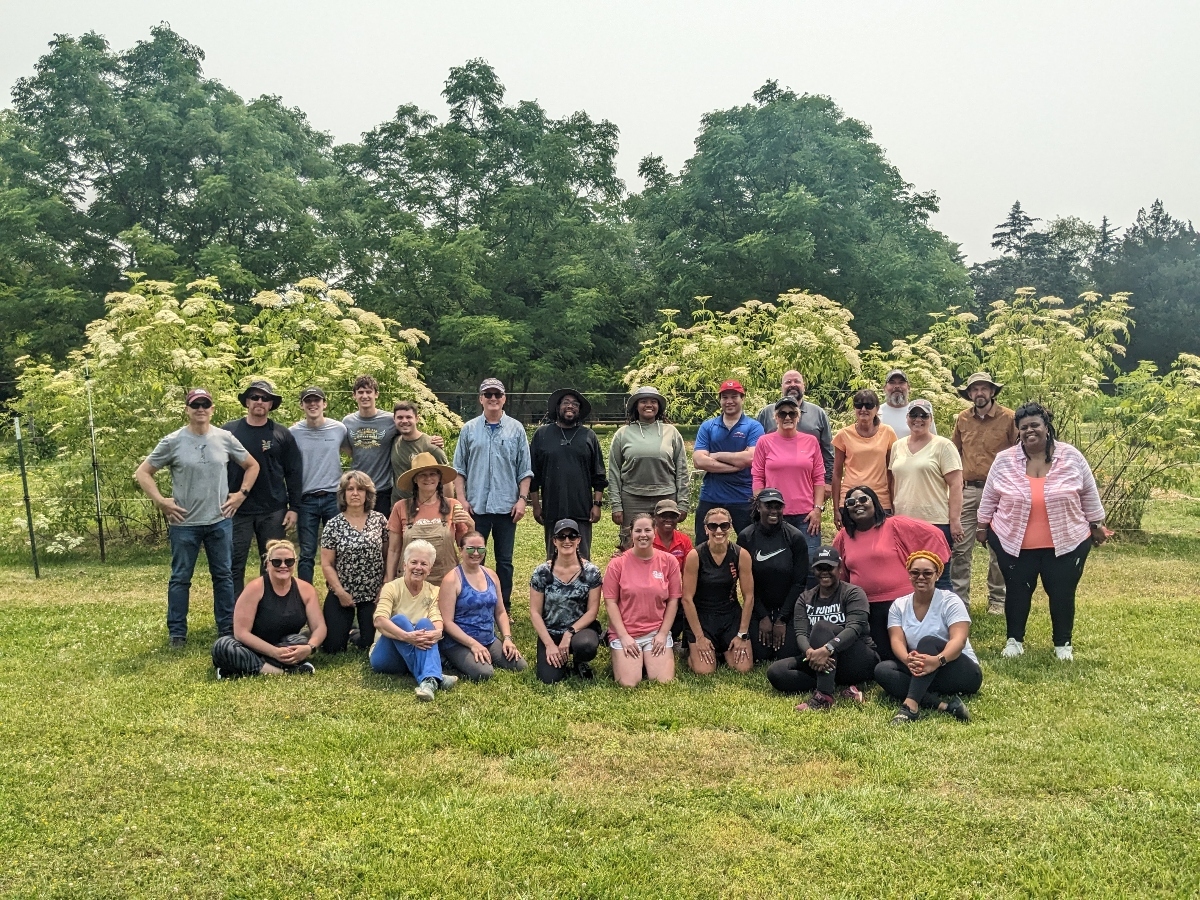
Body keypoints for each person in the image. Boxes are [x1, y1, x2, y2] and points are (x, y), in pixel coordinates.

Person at [978, 401, 1109, 661]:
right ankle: (1014, 641)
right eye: (1023, 427)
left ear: (1046, 427)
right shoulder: (1004, 460)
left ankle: (1063, 644)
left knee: (1062, 592)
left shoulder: (1071, 456)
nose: (1029, 431)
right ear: (1018, 431)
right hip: (1012, 542)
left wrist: (1097, 524)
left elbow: (1089, 494)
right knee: (1016, 592)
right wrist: (982, 526)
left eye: (1035, 425)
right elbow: (990, 496)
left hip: (1067, 541)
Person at [135, 388, 260, 646]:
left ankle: (226, 630)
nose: (200, 409)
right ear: (187, 409)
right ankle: (177, 633)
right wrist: (161, 501)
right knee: (180, 578)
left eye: (205, 404)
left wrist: (241, 495)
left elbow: (252, 465)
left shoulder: (225, 438)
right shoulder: (173, 441)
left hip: (219, 521)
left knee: (223, 576)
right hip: (184, 524)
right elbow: (143, 472)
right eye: (195, 405)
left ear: (213, 409)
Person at [832, 485, 951, 662]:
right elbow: (839, 572)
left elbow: (934, 534)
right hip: (867, 607)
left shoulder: (895, 525)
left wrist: (932, 565)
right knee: (884, 657)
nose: (858, 504)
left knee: (913, 650)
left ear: (875, 503)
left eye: (863, 499)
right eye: (851, 502)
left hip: (900, 604)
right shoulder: (843, 536)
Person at [452, 378, 533, 611]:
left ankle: (503, 605)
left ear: (504, 398)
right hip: (476, 507)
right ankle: (476, 603)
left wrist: (522, 500)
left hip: (506, 507)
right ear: (481, 399)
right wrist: (462, 499)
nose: (493, 399)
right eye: (488, 394)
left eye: (497, 394)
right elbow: (459, 469)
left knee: (505, 561)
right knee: (475, 557)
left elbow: (524, 470)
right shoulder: (468, 429)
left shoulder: (516, 429)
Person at [874, 552, 982, 724]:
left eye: (927, 573)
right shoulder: (899, 605)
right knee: (883, 670)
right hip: (924, 671)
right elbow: (897, 640)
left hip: (959, 670)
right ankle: (945, 706)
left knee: (928, 641)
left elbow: (959, 640)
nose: (921, 577)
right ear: (909, 574)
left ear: (938, 574)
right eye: (915, 572)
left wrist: (937, 661)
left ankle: (910, 707)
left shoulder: (950, 601)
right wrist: (907, 659)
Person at [766, 546, 879, 710]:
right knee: (777, 672)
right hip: (821, 658)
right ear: (814, 570)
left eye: (829, 567)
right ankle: (837, 685)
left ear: (839, 568)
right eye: (820, 568)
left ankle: (824, 697)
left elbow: (855, 628)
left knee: (822, 627)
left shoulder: (853, 593)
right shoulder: (805, 598)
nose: (824, 572)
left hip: (858, 659)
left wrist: (828, 648)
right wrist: (810, 653)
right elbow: (801, 633)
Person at [222, 379, 304, 598]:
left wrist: (294, 507)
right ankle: (234, 615)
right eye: (255, 397)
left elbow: (294, 472)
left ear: (271, 404)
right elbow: (216, 466)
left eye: (265, 398)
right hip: (236, 509)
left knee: (272, 562)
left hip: (273, 509)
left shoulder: (281, 434)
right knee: (233, 564)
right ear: (247, 402)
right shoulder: (229, 432)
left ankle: (267, 610)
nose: (259, 401)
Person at [950, 372, 1018, 614]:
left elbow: (1019, 453)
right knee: (960, 547)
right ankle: (959, 602)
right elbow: (953, 453)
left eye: (983, 389)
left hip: (1000, 492)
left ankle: (997, 600)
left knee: (998, 547)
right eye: (974, 389)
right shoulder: (962, 419)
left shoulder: (1009, 418)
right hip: (968, 490)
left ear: (992, 392)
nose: (979, 393)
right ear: (969, 394)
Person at [211, 539, 326, 678]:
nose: (283, 566)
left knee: (299, 641)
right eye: (277, 562)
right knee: (223, 646)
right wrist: (273, 652)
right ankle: (283, 672)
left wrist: (309, 648)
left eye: (288, 561)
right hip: (250, 646)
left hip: (283, 645)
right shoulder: (255, 588)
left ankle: (240, 669)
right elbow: (241, 633)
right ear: (267, 564)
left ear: (294, 563)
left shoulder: (306, 590)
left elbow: (319, 627)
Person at [370, 539, 459, 702]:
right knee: (399, 620)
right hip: (386, 657)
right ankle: (435, 675)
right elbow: (379, 620)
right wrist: (406, 637)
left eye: (424, 564)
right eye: (414, 562)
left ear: (430, 569)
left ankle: (428, 681)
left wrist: (438, 632)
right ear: (404, 565)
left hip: (414, 653)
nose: (418, 567)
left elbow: (437, 619)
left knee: (426, 625)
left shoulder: (434, 591)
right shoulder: (391, 587)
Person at [888, 398, 964, 590]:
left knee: (938, 575)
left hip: (935, 522)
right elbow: (892, 482)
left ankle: (947, 617)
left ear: (931, 419)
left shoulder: (943, 446)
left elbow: (956, 484)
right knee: (907, 574)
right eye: (914, 414)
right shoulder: (898, 446)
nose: (918, 419)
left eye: (924, 415)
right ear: (907, 418)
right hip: (903, 521)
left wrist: (954, 521)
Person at [602, 512, 682, 687]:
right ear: (631, 533)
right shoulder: (617, 564)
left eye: (647, 530)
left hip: (655, 632)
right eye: (638, 530)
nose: (643, 535)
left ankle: (647, 658)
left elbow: (673, 601)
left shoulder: (669, 562)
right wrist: (623, 636)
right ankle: (630, 659)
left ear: (655, 532)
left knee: (663, 682)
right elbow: (610, 602)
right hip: (626, 633)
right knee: (629, 683)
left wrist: (662, 634)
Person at [438, 531, 528, 680]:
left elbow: (500, 612)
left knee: (520, 666)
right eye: (470, 549)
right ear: (461, 550)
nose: (475, 553)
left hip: (489, 639)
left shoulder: (491, 575)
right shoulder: (451, 579)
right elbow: (447, 622)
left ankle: (484, 653)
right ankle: (448, 658)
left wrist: (507, 638)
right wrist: (472, 644)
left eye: (480, 549)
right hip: (459, 642)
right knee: (484, 673)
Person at [530, 388, 607, 559]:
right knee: (553, 557)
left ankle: (584, 586)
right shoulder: (542, 435)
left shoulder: (589, 436)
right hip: (552, 508)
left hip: (582, 508)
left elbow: (599, 475)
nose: (570, 406)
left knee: (582, 557)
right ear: (558, 408)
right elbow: (533, 473)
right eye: (566, 402)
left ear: (579, 409)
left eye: (575, 404)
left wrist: (597, 504)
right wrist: (536, 505)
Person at [608, 386, 691, 542]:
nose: (649, 405)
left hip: (666, 497)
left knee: (665, 543)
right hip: (632, 499)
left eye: (653, 401)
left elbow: (682, 470)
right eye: (643, 401)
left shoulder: (671, 432)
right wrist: (616, 505)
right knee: (632, 543)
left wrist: (683, 503)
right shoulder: (623, 434)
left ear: (658, 407)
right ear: (636, 406)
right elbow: (613, 471)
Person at [680, 507, 756, 675]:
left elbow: (749, 596)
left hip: (730, 615)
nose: (719, 531)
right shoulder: (695, 555)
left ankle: (721, 648)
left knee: (743, 668)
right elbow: (686, 599)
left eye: (724, 526)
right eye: (713, 526)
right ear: (706, 528)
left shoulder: (741, 554)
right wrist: (699, 637)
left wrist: (742, 634)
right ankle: (692, 650)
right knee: (704, 670)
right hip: (703, 617)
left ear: (730, 527)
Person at [736, 489, 810, 663]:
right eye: (769, 506)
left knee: (787, 654)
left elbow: (799, 583)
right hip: (758, 608)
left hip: (788, 610)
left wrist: (781, 619)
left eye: (778, 506)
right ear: (759, 507)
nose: (774, 511)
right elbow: (746, 584)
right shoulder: (746, 537)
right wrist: (763, 616)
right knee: (760, 655)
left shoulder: (795, 537)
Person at [319, 470, 388, 653]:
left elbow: (389, 556)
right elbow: (326, 564)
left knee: (369, 643)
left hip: (373, 594)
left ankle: (356, 633)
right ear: (343, 494)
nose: (355, 493)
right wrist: (340, 592)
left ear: (368, 494)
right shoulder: (333, 524)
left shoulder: (379, 520)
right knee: (333, 647)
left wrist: (385, 586)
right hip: (343, 593)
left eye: (360, 489)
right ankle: (344, 630)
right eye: (350, 489)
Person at [529, 518, 604, 684]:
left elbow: (592, 611)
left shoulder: (592, 572)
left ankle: (579, 660)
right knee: (549, 679)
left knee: (586, 646)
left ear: (579, 540)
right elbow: (534, 612)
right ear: (554, 541)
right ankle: (558, 658)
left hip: (579, 631)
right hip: (551, 632)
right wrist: (549, 644)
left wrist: (569, 633)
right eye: (561, 537)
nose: (567, 540)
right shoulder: (541, 572)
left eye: (572, 536)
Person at [751, 396, 826, 560]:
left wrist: (817, 510)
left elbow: (819, 478)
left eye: (792, 413)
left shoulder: (811, 441)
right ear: (775, 417)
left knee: (809, 565)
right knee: (777, 563)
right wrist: (760, 508)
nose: (787, 417)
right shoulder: (764, 442)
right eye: (782, 414)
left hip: (806, 516)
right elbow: (757, 477)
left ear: (798, 416)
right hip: (774, 514)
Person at [385, 452, 472, 587]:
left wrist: (470, 525)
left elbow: (465, 546)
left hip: (446, 582)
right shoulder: (401, 507)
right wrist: (389, 582)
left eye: (432, 474)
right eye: (423, 475)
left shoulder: (453, 505)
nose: (428, 478)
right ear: (415, 479)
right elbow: (394, 550)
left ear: (439, 478)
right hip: (409, 584)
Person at [692, 379, 764, 541]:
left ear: (742, 398)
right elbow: (699, 461)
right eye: (725, 397)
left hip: (743, 497)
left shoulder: (754, 426)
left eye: (734, 396)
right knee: (703, 544)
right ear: (720, 400)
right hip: (711, 496)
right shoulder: (708, 426)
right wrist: (736, 464)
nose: (729, 401)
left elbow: (751, 458)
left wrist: (715, 455)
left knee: (750, 544)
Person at [290, 387, 347, 584]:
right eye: (308, 401)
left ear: (325, 404)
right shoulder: (293, 432)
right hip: (307, 500)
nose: (312, 404)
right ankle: (304, 596)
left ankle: (337, 593)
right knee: (307, 552)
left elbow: (358, 452)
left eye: (317, 400)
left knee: (338, 549)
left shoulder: (339, 429)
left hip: (334, 497)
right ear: (302, 405)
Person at [756, 369, 835, 485]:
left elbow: (828, 451)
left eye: (797, 381)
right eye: (788, 382)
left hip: (809, 482)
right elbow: (757, 454)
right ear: (781, 386)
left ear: (804, 386)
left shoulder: (818, 413)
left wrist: (828, 482)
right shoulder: (767, 413)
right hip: (773, 484)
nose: (793, 385)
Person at [832, 389, 897, 522]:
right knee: (854, 541)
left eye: (868, 405)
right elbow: (837, 473)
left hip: (881, 499)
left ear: (877, 408)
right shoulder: (843, 434)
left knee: (883, 541)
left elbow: (891, 472)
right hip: (851, 500)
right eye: (858, 405)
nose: (863, 409)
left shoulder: (888, 432)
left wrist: (893, 502)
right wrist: (836, 509)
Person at [342, 375, 398, 517]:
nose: (365, 396)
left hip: (383, 488)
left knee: (383, 533)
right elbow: (348, 449)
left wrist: (432, 440)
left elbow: (410, 432)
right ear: (354, 395)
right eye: (360, 392)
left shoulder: (390, 420)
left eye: (368, 392)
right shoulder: (348, 422)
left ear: (376, 394)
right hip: (358, 489)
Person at [389, 400, 448, 502]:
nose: (404, 421)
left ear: (417, 419)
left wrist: (448, 508)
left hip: (425, 505)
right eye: (400, 417)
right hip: (398, 506)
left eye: (408, 417)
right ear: (394, 420)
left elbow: (446, 480)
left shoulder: (431, 446)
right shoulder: (393, 441)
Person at [878, 369, 938, 439]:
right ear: (884, 388)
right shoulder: (876, 412)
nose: (897, 386)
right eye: (892, 382)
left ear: (909, 388)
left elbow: (934, 440)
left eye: (901, 383)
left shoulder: (921, 411)